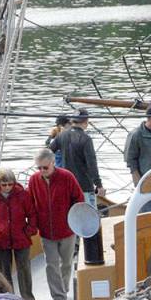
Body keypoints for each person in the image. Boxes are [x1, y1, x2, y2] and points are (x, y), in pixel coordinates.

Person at [27, 149, 84, 300]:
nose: (42, 171)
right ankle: (58, 297)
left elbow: (78, 199)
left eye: (45, 167)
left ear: (53, 163)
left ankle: (64, 288)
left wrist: (74, 221)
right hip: (46, 231)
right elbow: (29, 203)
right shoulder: (33, 181)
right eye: (39, 168)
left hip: (67, 229)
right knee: (51, 264)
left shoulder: (67, 177)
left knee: (66, 263)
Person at [51, 109, 105, 265]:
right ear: (85, 122)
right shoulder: (86, 139)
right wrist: (99, 184)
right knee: (88, 215)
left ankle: (72, 249)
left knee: (71, 215)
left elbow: (49, 151)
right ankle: (88, 248)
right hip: (85, 185)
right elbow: (91, 163)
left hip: (67, 185)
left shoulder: (62, 136)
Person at [0, 169, 38, 300]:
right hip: (0, 240)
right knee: (4, 272)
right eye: (4, 184)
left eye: (10, 184)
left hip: (21, 238)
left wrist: (30, 230)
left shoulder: (22, 195)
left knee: (24, 271)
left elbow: (32, 214)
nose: (7, 188)